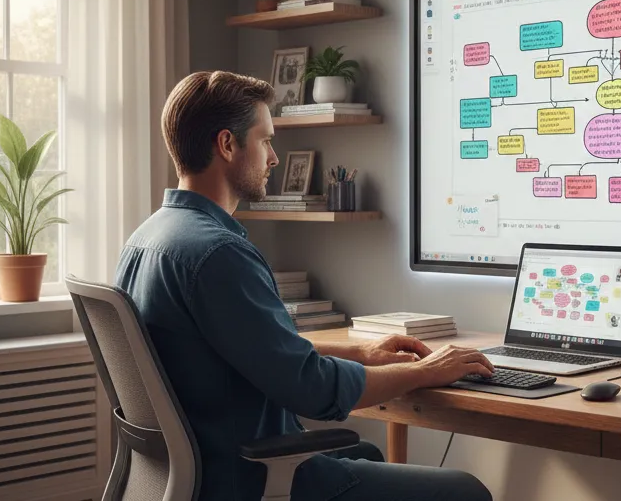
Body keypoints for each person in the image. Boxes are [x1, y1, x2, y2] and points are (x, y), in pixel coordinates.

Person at [115, 71, 495, 501]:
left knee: (364, 451)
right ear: (226, 144)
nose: (274, 158)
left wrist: (359, 352)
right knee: (466, 491)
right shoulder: (217, 254)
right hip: (247, 478)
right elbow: (311, 391)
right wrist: (423, 373)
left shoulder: (148, 239)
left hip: (196, 473)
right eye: (265, 140)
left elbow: (253, 352)